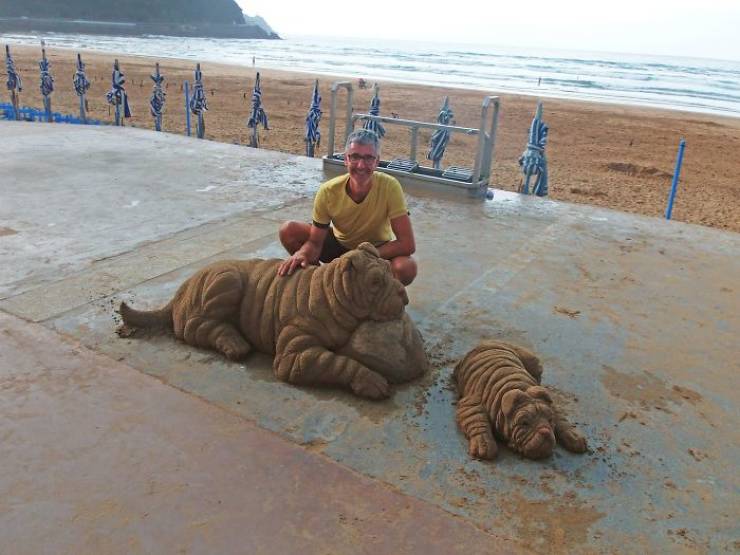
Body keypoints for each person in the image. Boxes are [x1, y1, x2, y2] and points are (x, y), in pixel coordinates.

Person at [278, 128, 417, 285]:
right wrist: (302, 253)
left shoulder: (390, 187)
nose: (361, 165)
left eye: (368, 158)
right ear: (346, 159)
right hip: (340, 246)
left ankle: (375, 295)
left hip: (376, 250)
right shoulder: (328, 191)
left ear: (377, 161)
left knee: (406, 268)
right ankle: (322, 282)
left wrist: (366, 255)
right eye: (355, 157)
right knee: (288, 230)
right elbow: (315, 243)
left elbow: (407, 244)